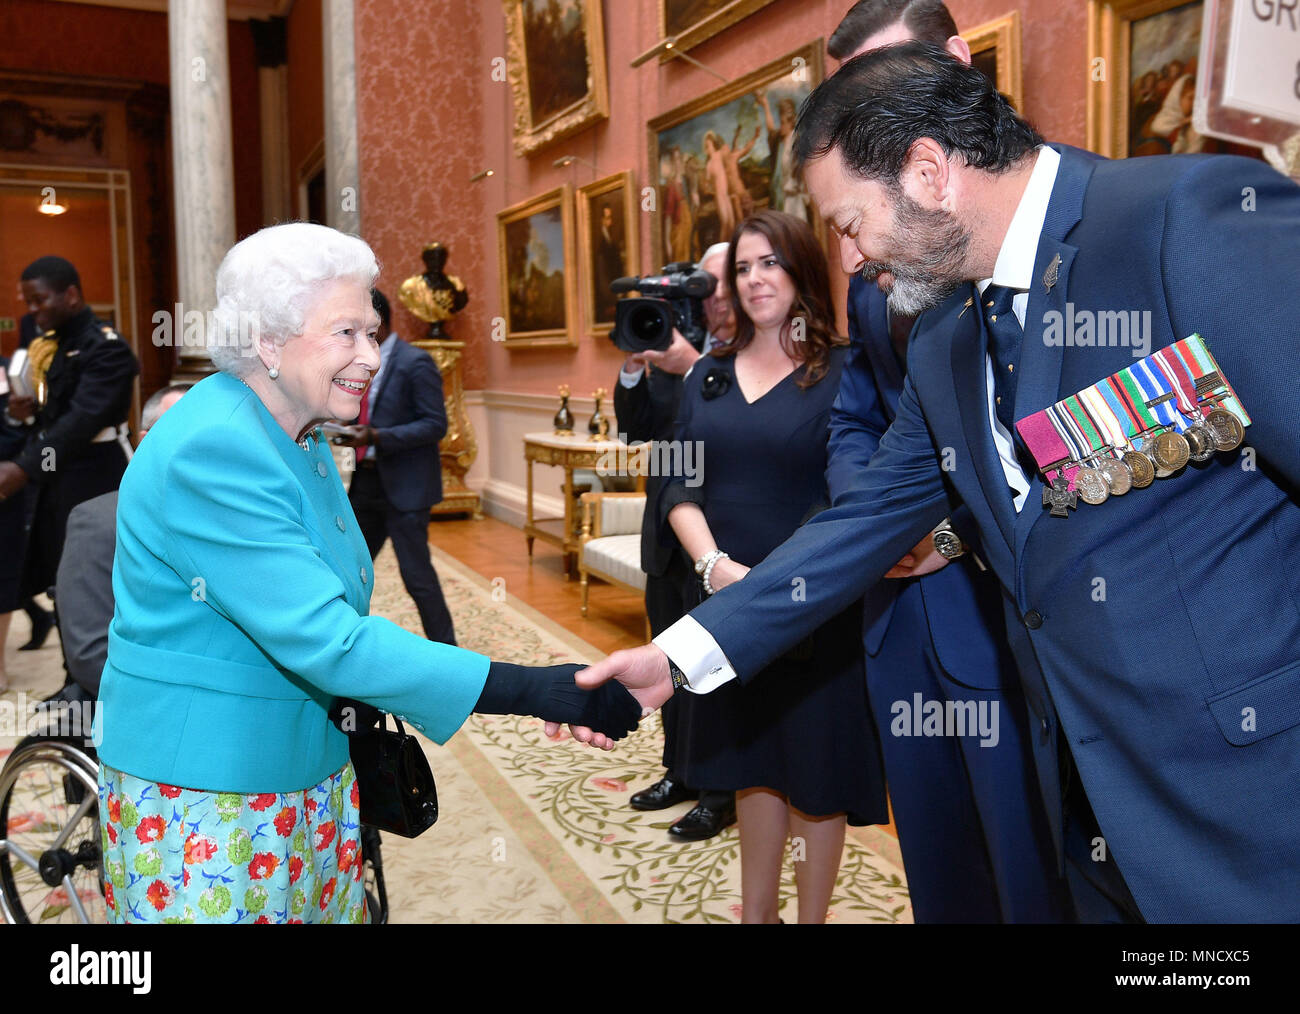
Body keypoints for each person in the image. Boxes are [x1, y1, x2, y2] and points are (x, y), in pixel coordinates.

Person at [581, 42, 1300, 923]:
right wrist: (677, 656)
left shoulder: (1178, 222)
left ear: (928, 172)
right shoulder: (945, 341)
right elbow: (865, 523)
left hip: (1252, 798)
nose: (847, 261)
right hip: (1085, 809)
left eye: (848, 224)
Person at [95, 223, 641, 924]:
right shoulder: (215, 450)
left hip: (304, 762)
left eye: (372, 332)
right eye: (346, 332)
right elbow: (331, 640)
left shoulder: (299, 430)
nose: (371, 356)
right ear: (267, 340)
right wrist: (536, 689)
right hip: (210, 785)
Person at [817, 0, 1066, 923]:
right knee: (937, 871)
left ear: (959, 61)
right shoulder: (870, 260)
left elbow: (1066, 446)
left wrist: (947, 535)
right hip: (897, 618)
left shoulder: (1044, 233)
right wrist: (877, 517)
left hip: (1005, 623)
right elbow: (857, 415)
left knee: (1032, 869)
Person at [663, 210, 887, 923]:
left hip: (817, 609)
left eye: (772, 264)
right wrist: (714, 567)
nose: (756, 279)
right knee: (752, 767)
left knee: (814, 777)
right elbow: (676, 486)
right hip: (728, 606)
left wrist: (785, 581)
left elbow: (860, 493)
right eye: (745, 268)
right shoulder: (707, 377)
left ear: (800, 271)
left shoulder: (850, 370)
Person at [615, 242, 738, 842]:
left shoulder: (743, 354)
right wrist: (635, 366)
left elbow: (729, 428)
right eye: (704, 286)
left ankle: (721, 792)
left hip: (719, 534)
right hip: (663, 531)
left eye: (717, 286)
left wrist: (693, 366)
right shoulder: (666, 342)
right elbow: (633, 428)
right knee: (668, 659)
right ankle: (680, 771)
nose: (711, 299)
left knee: (712, 667)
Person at [0, 256, 138, 657]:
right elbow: (54, 416)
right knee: (59, 573)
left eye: (39, 300)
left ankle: (103, 673)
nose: (32, 310)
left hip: (95, 473)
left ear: (71, 295)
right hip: (56, 473)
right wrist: (20, 414)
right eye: (27, 302)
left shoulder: (106, 347)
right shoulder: (51, 346)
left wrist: (23, 468)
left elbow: (81, 420)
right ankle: (71, 674)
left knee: (95, 575)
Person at [335, 289, 457, 646]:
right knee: (347, 571)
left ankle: (449, 656)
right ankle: (342, 646)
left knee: (417, 577)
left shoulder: (415, 362)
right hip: (367, 484)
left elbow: (436, 425)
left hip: (406, 487)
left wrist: (376, 436)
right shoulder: (353, 362)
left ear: (378, 322)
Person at [52, 384, 190, 700]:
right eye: (182, 430)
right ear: (146, 440)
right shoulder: (101, 522)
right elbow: (91, 655)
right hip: (153, 708)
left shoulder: (242, 516)